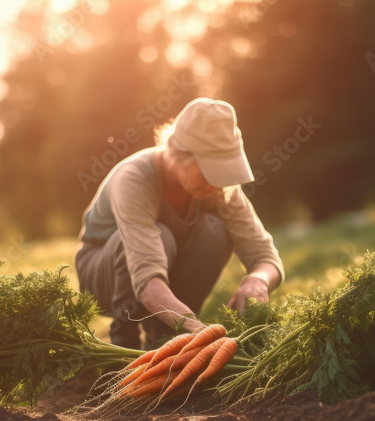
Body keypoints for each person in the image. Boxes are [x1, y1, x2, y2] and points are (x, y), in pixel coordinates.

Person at [75, 98, 284, 350]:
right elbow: (148, 283)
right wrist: (201, 332)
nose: (217, 184)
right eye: (210, 172)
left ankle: (168, 338)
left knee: (215, 232)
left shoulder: (220, 189)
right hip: (104, 270)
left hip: (159, 271)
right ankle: (125, 341)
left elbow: (265, 256)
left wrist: (256, 281)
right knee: (161, 236)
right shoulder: (134, 179)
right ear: (176, 152)